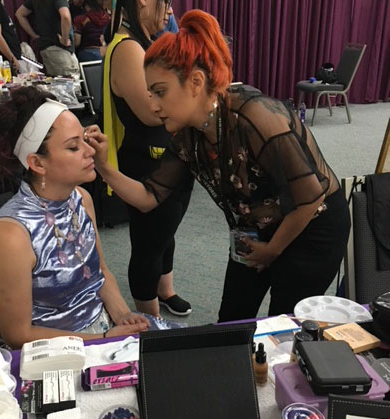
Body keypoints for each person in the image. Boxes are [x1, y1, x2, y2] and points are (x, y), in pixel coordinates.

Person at [93, 10, 351, 322]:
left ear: (196, 82)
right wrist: (105, 168)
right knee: (230, 324)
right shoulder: (187, 135)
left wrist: (273, 250)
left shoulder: (256, 117)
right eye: (150, 94)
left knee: (284, 328)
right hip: (254, 231)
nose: (153, 104)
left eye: (160, 92)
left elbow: (310, 197)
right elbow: (150, 196)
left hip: (311, 228)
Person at [0, 86, 149, 349]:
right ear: (37, 163)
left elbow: (100, 273)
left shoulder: (81, 199)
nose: (90, 151)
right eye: (73, 147)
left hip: (103, 332)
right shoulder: (11, 235)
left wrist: (122, 316)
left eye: (85, 139)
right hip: (56, 353)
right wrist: (101, 341)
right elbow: (17, 334)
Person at [102, 0, 194, 317]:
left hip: (167, 154)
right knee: (148, 243)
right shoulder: (128, 49)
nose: (170, 11)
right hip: (146, 161)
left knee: (165, 231)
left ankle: (165, 290)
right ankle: (151, 319)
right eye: (165, 2)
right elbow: (153, 112)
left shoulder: (144, 43)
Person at [16, 0, 79, 77]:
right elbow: (65, 16)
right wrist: (64, 39)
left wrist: (34, 35)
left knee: (57, 85)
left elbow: (19, 14)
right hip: (60, 50)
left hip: (47, 49)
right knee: (71, 84)